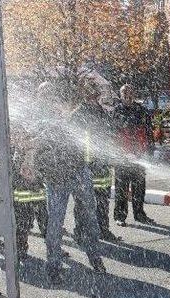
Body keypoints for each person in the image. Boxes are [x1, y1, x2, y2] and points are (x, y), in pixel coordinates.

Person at [34, 82, 106, 279]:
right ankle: (53, 265)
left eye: (52, 93)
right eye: (45, 93)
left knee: (90, 215)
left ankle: (94, 255)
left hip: (78, 170)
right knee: (55, 221)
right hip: (56, 176)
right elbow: (35, 145)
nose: (49, 97)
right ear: (39, 96)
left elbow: (87, 134)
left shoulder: (73, 112)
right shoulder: (37, 116)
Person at [70, 84, 120, 242]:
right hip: (83, 164)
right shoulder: (77, 113)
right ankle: (80, 232)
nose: (93, 96)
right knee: (82, 201)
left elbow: (110, 135)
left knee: (103, 200)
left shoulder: (103, 112)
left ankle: (103, 230)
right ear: (85, 95)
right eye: (90, 93)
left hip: (102, 163)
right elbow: (71, 140)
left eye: (95, 93)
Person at [112, 84, 156, 227]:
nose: (128, 96)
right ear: (121, 95)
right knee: (121, 189)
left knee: (139, 188)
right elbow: (112, 134)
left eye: (130, 93)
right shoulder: (116, 111)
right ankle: (120, 216)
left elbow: (149, 133)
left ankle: (139, 214)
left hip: (139, 156)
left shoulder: (142, 111)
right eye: (125, 93)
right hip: (122, 157)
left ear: (134, 94)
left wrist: (150, 152)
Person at [11, 124, 48, 258]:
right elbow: (14, 175)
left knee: (46, 223)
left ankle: (53, 250)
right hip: (22, 197)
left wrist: (37, 177)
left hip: (37, 194)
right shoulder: (13, 153)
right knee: (23, 225)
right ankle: (21, 250)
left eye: (25, 137)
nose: (23, 140)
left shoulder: (34, 151)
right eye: (18, 136)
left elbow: (42, 168)